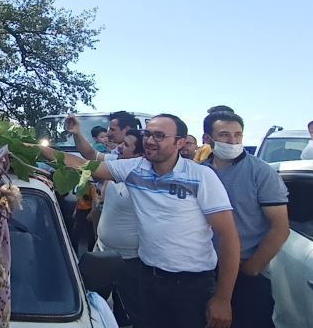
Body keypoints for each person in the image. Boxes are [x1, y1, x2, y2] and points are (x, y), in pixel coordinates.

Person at [50, 114, 240, 328]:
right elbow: (83, 164)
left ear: (179, 142)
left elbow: (228, 238)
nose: (150, 140)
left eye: (159, 136)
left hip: (192, 285)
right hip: (148, 280)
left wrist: (223, 299)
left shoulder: (201, 176)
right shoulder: (134, 169)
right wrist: (28, 148)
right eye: (147, 134)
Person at [201, 111, 289, 328]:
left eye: (237, 135)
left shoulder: (260, 172)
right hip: (204, 271)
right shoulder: (200, 172)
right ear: (207, 139)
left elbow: (280, 227)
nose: (232, 141)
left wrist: (252, 268)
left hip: (244, 271)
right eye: (224, 135)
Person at [94, 129, 145, 327]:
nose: (119, 147)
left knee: (128, 312)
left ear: (139, 156)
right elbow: (88, 159)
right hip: (101, 252)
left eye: (126, 145)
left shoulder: (143, 179)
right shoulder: (114, 168)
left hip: (130, 261)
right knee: (94, 304)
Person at [67, 111, 139, 161]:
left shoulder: (139, 161)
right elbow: (91, 155)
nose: (108, 134)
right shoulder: (117, 154)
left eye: (112, 129)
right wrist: (76, 133)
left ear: (126, 129)